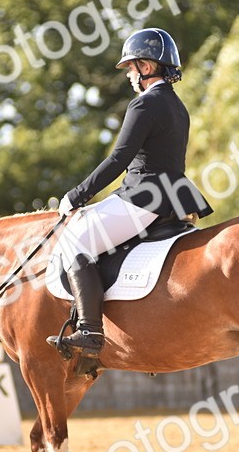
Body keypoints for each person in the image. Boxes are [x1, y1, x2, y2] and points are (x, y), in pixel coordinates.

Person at [47, 27, 214, 359]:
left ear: (147, 68)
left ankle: (91, 331)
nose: (129, 76)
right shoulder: (178, 107)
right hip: (172, 196)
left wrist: (77, 195)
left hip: (143, 198)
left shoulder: (144, 105)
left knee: (73, 242)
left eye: (132, 68)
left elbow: (119, 159)